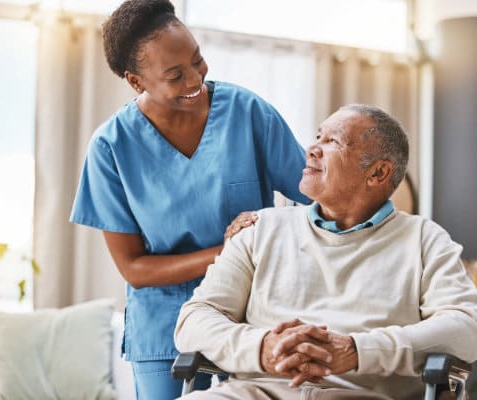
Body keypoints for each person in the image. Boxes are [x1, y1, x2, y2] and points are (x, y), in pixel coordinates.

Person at [69, 0, 310, 398]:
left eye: (198, 60)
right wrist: (230, 249)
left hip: (253, 315)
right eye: (175, 75)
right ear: (135, 81)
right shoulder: (111, 147)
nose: (195, 78)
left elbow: (317, 195)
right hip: (165, 324)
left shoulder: (247, 112)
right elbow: (134, 267)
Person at [174, 104, 477, 400]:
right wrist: (262, 348)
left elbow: (466, 329)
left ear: (377, 173)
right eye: (317, 137)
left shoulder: (424, 239)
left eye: (333, 142)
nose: (312, 149)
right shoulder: (260, 229)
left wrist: (357, 350)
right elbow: (194, 320)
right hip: (256, 392)